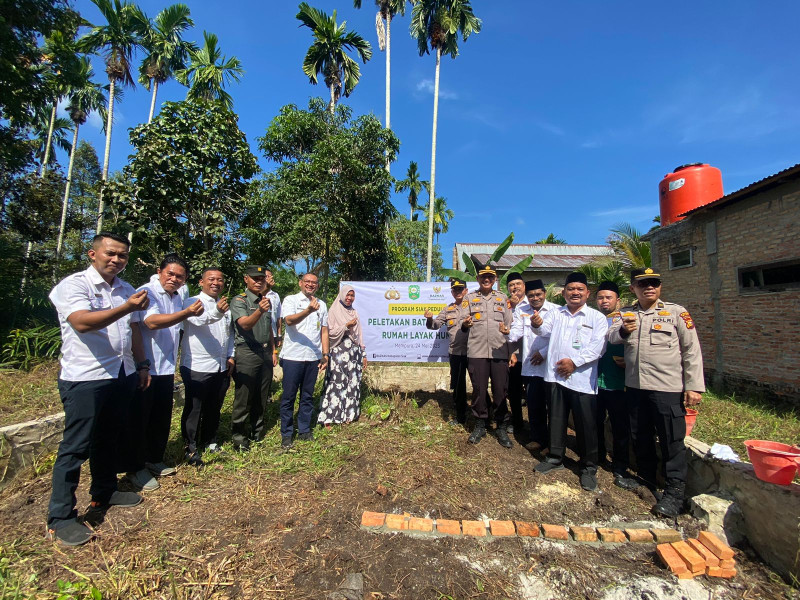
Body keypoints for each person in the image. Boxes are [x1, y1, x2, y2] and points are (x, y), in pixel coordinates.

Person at [46, 232, 151, 546]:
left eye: (123, 256)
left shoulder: (127, 289)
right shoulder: (74, 285)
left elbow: (134, 331)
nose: (117, 260)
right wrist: (126, 307)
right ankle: (61, 517)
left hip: (122, 373)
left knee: (109, 437)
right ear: (93, 254)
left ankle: (103, 492)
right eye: (111, 253)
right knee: (76, 446)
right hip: (86, 377)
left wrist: (142, 365)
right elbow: (82, 322)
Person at [607, 268, 704, 517]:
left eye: (654, 283)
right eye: (643, 284)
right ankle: (646, 478)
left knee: (672, 440)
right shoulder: (625, 313)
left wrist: (693, 385)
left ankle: (674, 494)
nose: (649, 287)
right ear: (633, 289)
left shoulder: (675, 312)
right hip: (636, 387)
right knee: (641, 436)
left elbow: (691, 349)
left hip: (667, 388)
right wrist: (624, 330)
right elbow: (611, 337)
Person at [125, 254, 204, 492]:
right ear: (159, 271)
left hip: (166, 367)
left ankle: (153, 459)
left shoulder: (179, 295)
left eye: (180, 276)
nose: (174, 279)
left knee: (160, 416)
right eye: (170, 273)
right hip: (146, 366)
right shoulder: (146, 292)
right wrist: (187, 313)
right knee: (140, 418)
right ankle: (135, 467)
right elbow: (151, 323)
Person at [531, 272, 608, 491]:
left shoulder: (596, 318)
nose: (575, 293)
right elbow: (543, 331)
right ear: (564, 292)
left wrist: (574, 362)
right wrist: (536, 323)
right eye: (571, 289)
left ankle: (588, 467)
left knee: (586, 425)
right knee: (556, 420)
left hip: (581, 380)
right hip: (555, 377)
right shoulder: (557, 313)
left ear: (587, 293)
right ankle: (556, 458)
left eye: (579, 289)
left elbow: (598, 348)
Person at [179, 267, 233, 466]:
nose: (216, 283)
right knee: (194, 409)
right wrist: (218, 311)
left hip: (220, 366)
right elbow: (200, 320)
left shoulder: (223, 305)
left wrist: (230, 355)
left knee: (214, 407)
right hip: (197, 365)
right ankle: (190, 448)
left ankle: (210, 441)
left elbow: (229, 333)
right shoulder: (191, 302)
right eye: (211, 279)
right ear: (201, 282)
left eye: (220, 280)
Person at [461, 264, 514, 447]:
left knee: (500, 390)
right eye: (483, 276)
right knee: (479, 390)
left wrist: (511, 351)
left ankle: (501, 425)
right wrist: (466, 324)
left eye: (490, 277)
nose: (486, 279)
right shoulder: (469, 298)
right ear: (478, 279)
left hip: (499, 350)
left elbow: (509, 325)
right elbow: (463, 322)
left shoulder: (502, 298)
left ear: (494, 280)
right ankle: (480, 423)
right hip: (477, 351)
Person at [594, 281, 639, 491]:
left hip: (618, 382)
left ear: (617, 300)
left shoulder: (627, 319)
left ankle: (620, 466)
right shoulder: (593, 319)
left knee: (620, 427)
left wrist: (630, 362)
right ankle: (597, 456)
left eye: (608, 297)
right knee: (595, 423)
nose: (604, 301)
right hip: (594, 382)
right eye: (601, 297)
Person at [230, 265, 277, 452]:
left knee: (262, 395)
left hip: (265, 352)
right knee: (245, 396)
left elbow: (270, 329)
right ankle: (239, 437)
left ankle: (256, 432)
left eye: (262, 278)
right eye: (255, 278)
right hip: (247, 352)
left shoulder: (264, 300)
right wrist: (259, 311)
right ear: (246, 279)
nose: (259, 281)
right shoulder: (239, 301)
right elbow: (244, 325)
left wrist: (273, 351)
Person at [279, 273, 329, 448]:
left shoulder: (322, 305)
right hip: (293, 357)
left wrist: (325, 354)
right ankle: (286, 433)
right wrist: (308, 310)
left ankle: (304, 430)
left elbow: (324, 331)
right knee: (288, 397)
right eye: (307, 282)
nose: (310, 285)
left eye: (314, 283)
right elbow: (289, 321)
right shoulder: (291, 300)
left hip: (313, 357)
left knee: (307, 397)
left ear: (317, 286)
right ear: (300, 283)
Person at [507, 279, 557, 449]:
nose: (535, 298)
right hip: (530, 365)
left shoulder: (556, 311)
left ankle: (554, 442)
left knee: (553, 407)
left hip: (550, 366)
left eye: (538, 294)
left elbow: (559, 338)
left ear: (544, 294)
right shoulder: (521, 310)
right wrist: (508, 334)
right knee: (534, 404)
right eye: (531, 295)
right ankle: (538, 438)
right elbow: (516, 330)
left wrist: (543, 353)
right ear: (527, 296)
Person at [318, 285, 367, 426]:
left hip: (354, 354)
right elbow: (330, 333)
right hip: (338, 353)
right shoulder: (333, 311)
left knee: (352, 383)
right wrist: (346, 326)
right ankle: (329, 417)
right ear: (342, 295)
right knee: (336, 383)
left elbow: (359, 335)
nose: (349, 298)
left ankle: (348, 416)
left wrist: (363, 354)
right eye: (347, 295)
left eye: (352, 296)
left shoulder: (354, 312)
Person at [424, 278, 469, 425]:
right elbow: (435, 325)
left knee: (479, 383)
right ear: (451, 292)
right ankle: (461, 415)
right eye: (455, 290)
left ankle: (485, 415)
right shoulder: (447, 309)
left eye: (460, 289)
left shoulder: (473, 307)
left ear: (466, 291)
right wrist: (430, 319)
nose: (458, 292)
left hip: (474, 352)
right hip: (455, 352)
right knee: (457, 384)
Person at [504, 272, 527, 435]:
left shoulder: (532, 302)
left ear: (524, 286)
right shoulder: (506, 305)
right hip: (515, 355)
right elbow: (504, 329)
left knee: (534, 393)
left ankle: (537, 425)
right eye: (511, 285)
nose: (515, 287)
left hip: (533, 356)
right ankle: (517, 421)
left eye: (518, 284)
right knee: (513, 391)